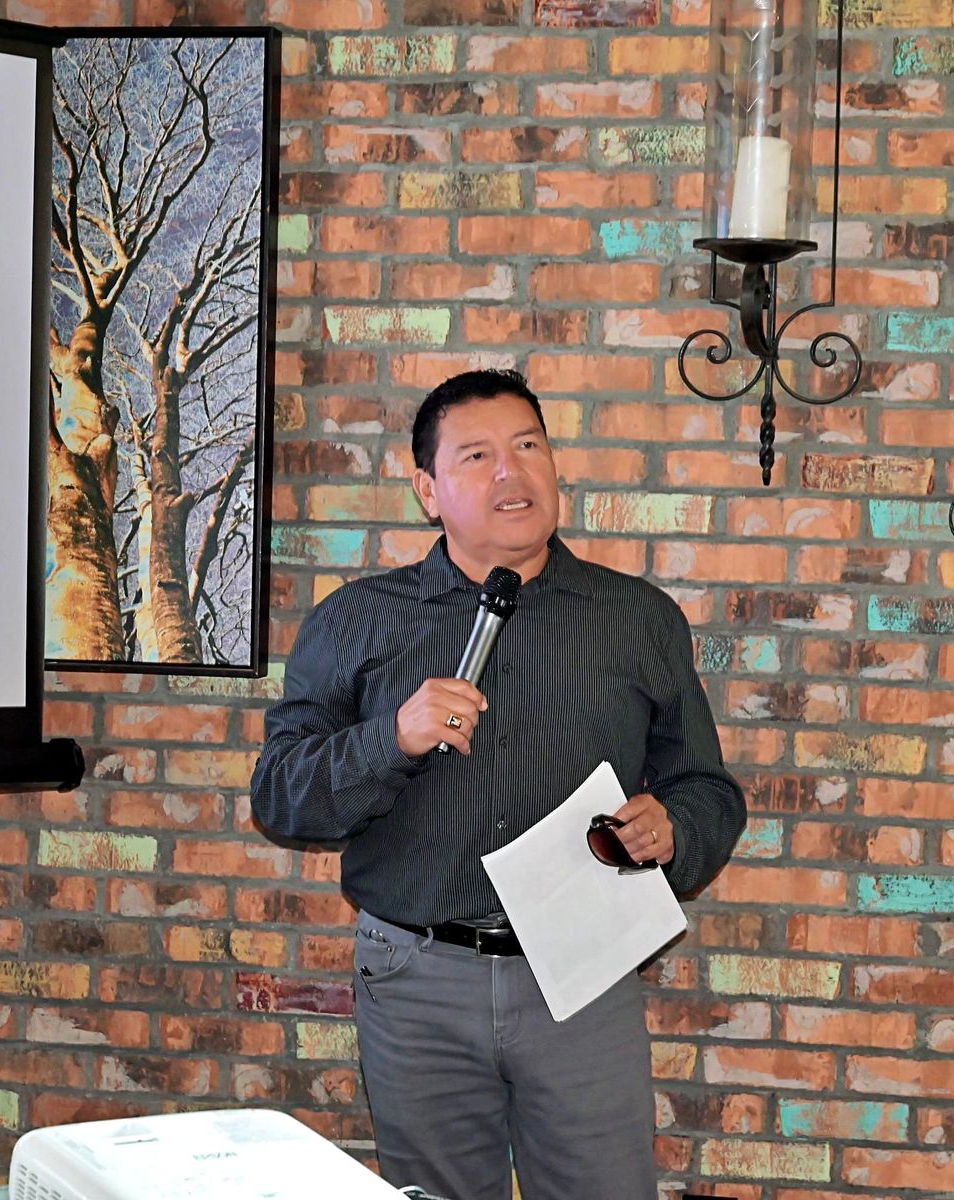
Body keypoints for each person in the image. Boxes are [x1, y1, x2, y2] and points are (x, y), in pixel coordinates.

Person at [251, 368, 747, 1200]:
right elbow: (279, 795)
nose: (511, 472)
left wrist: (676, 829)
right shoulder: (355, 621)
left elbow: (708, 789)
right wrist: (390, 739)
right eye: (477, 455)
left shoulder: (637, 618)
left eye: (528, 446)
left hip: (584, 971)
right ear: (427, 490)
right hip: (416, 979)